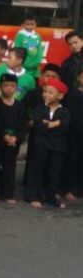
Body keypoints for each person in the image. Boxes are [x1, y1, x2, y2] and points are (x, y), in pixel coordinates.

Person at [26, 78, 69, 209]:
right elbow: (37, 124)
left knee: (54, 172)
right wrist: (55, 123)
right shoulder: (40, 108)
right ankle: (34, 196)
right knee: (37, 170)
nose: (46, 95)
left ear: (60, 95)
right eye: (45, 92)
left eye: (51, 92)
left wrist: (50, 124)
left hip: (57, 147)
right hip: (41, 145)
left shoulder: (65, 111)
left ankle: (51, 195)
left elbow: (65, 125)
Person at [0, 73, 27, 203]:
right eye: (6, 85)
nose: (9, 88)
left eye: (12, 86)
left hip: (13, 142)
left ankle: (7, 194)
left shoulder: (20, 105)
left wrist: (16, 138)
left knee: (10, 167)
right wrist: (3, 136)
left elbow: (23, 124)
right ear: (0, 87)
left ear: (16, 88)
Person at [63, 67, 83, 199]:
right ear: (79, 77)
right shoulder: (73, 94)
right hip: (75, 134)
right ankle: (69, 189)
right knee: (72, 160)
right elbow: (73, 116)